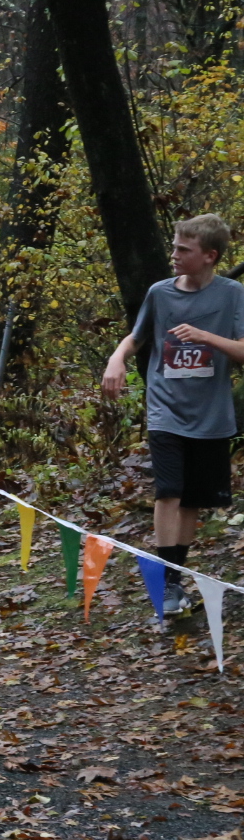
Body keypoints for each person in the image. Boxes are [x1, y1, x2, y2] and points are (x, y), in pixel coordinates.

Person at [102, 213, 244, 616]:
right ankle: (167, 584)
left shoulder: (232, 294)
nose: (174, 255)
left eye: (184, 249)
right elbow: (136, 337)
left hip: (210, 414)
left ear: (209, 256)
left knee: (192, 501)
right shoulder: (160, 293)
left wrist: (205, 337)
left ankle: (175, 578)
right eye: (175, 247)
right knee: (169, 490)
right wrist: (116, 359)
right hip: (165, 408)